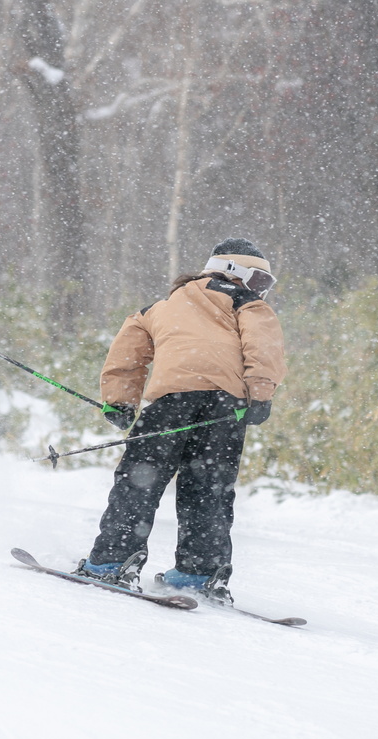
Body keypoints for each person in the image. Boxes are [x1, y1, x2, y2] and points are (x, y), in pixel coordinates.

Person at [76, 238, 286, 602]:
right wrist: (260, 394)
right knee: (209, 490)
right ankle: (198, 572)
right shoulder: (246, 304)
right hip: (225, 407)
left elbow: (128, 353)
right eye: (259, 282)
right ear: (233, 271)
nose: (261, 292)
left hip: (169, 405)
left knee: (138, 484)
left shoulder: (159, 308)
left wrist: (120, 401)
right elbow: (263, 347)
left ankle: (112, 562)